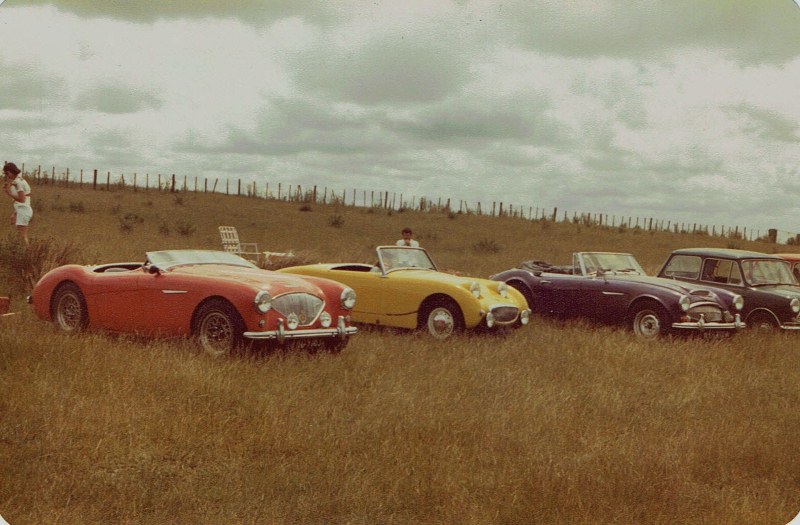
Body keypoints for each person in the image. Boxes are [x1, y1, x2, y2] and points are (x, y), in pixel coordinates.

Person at [3, 162, 32, 245]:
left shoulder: (18, 182)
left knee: (22, 236)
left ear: (11, 171)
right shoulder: (18, 180)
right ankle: (26, 254)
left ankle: (28, 255)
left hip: (24, 211)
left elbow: (22, 199)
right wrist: (15, 213)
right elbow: (24, 200)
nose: (7, 175)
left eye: (7, 173)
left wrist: (7, 192)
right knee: (21, 236)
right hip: (23, 210)